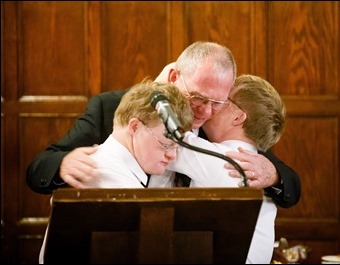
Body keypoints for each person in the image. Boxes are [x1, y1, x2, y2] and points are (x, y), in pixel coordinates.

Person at [25, 41, 301, 208]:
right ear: (172, 76)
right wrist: (63, 165)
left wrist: (273, 175)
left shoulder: (214, 125)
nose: (205, 111)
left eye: (217, 102)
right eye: (197, 97)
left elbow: (289, 185)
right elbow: (39, 168)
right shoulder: (109, 106)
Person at [39, 80, 193, 263]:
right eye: (166, 144)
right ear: (135, 127)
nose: (172, 156)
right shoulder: (107, 176)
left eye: (177, 147)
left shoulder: (112, 165)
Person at [167, 74, 287, 263]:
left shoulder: (226, 161)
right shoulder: (251, 164)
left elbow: (165, 138)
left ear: (238, 117)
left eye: (221, 100)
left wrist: (172, 85)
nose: (211, 106)